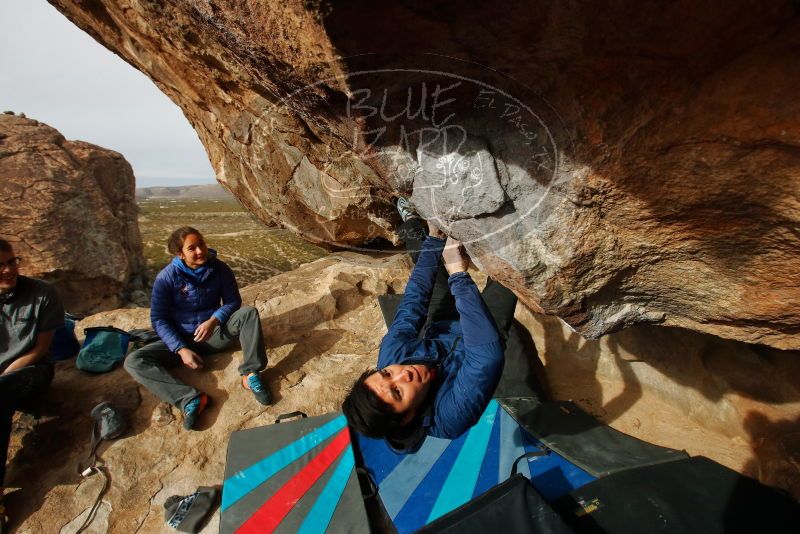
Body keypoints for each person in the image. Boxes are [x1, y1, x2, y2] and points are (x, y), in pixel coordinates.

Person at [342, 200, 518, 453]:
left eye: (387, 374)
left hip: (442, 324)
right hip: (480, 344)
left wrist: (435, 240)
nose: (404, 373)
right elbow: (485, 358)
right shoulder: (449, 418)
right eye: (398, 392)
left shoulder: (393, 357)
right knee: (509, 272)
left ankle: (412, 221)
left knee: (428, 253)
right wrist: (458, 275)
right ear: (406, 417)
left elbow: (413, 302)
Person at [125, 227, 271, 430]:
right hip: (180, 339)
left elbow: (232, 301)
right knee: (134, 361)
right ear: (180, 254)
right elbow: (159, 318)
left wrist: (214, 320)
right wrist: (180, 349)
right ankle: (189, 399)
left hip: (213, 334)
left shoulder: (219, 269)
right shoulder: (167, 278)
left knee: (248, 313)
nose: (200, 251)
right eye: (191, 248)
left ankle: (251, 374)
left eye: (201, 244)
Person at [0, 239, 64, 527]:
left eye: (12, 262)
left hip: (31, 371)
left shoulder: (42, 294)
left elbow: (39, 349)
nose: (8, 270)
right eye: (0, 265)